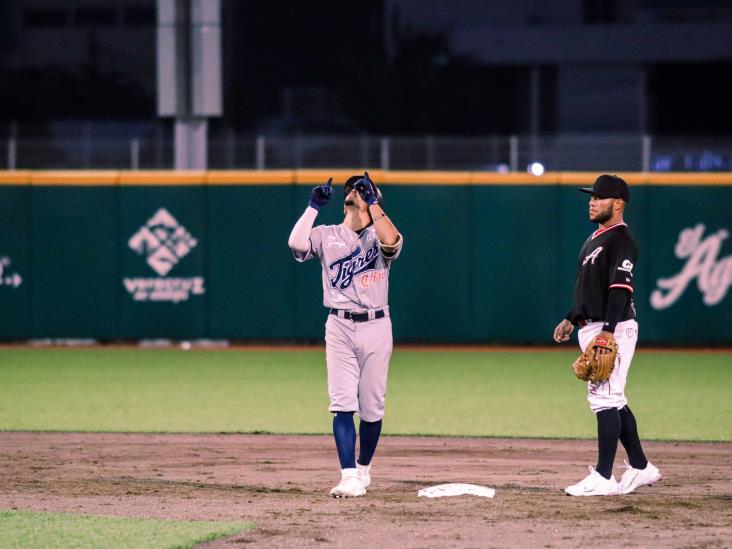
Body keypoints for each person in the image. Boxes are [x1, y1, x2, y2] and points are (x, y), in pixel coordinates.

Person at [287, 172, 403, 498]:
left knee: (372, 406)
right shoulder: (327, 234)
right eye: (352, 189)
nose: (356, 192)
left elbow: (392, 243)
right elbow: (296, 244)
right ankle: (348, 475)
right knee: (342, 403)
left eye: (362, 188)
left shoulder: (380, 231)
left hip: (377, 325)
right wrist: (313, 206)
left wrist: (375, 203)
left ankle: (364, 468)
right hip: (338, 325)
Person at [553, 174, 662, 497]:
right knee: (614, 398)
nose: (591, 201)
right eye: (591, 196)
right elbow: (589, 286)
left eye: (599, 197)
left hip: (613, 327)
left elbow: (619, 290)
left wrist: (608, 333)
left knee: (605, 399)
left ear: (617, 203)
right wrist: (571, 318)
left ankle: (604, 476)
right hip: (591, 325)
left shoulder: (621, 240)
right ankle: (642, 467)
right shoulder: (594, 238)